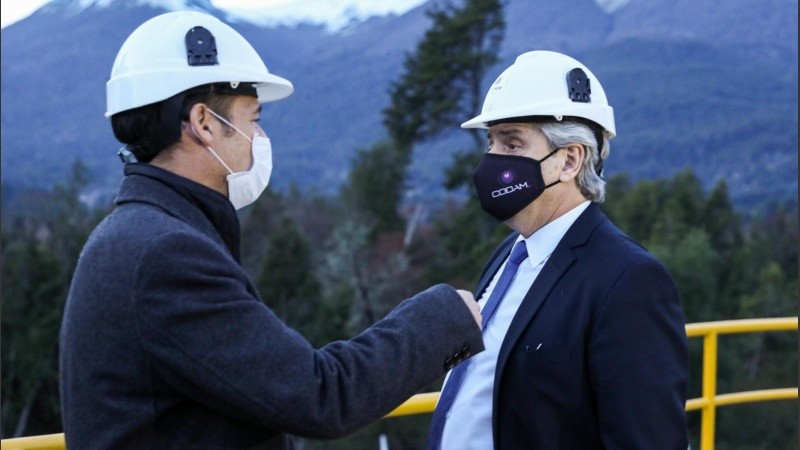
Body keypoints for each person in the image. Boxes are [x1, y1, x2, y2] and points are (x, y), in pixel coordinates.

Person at [59, 11, 484, 449]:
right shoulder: (166, 254)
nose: (258, 137)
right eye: (253, 119)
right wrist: (442, 318)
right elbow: (321, 394)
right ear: (204, 123)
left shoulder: (136, 233)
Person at [425, 50, 690, 449]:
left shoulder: (628, 281)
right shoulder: (510, 255)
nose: (492, 160)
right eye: (491, 141)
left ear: (569, 160)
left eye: (512, 144)